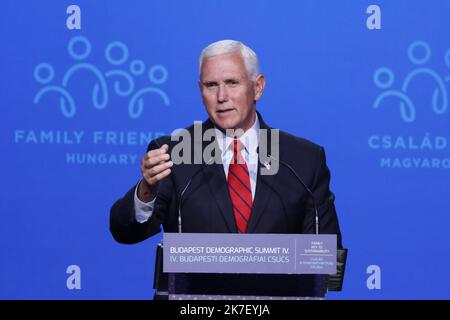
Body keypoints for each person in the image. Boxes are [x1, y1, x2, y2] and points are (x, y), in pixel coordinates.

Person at [110, 40, 342, 248]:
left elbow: (326, 255)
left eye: (232, 83)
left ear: (258, 87)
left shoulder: (302, 160)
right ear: (201, 90)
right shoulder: (173, 153)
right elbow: (125, 232)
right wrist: (146, 191)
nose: (221, 97)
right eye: (211, 85)